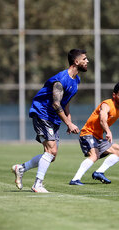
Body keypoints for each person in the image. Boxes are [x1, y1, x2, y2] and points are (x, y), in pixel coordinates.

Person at [12, 49, 89, 193]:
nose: (87, 61)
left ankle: (21, 168)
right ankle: (37, 185)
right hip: (42, 113)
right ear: (76, 62)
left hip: (53, 117)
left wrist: (69, 119)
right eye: (84, 59)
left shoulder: (76, 80)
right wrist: (68, 123)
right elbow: (55, 103)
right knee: (51, 150)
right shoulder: (61, 80)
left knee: (51, 155)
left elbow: (65, 102)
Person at [69, 82, 119, 185]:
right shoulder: (106, 104)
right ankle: (75, 179)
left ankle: (99, 172)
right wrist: (108, 131)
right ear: (114, 95)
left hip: (98, 137)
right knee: (94, 155)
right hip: (87, 133)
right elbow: (102, 120)